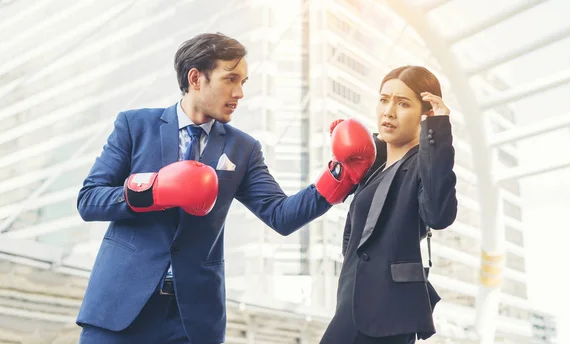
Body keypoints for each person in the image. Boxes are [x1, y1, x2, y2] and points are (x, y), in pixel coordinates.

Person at [76, 32, 377, 344]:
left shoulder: (243, 149)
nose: (239, 93)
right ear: (196, 78)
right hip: (120, 309)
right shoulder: (135, 126)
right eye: (230, 79)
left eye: (243, 82)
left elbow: (281, 215)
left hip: (191, 322)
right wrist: (153, 190)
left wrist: (339, 176)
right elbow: (89, 199)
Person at [320, 65, 458, 344]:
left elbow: (439, 215)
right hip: (352, 306)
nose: (389, 111)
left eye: (403, 103)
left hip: (386, 314)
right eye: (384, 99)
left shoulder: (424, 163)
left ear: (426, 113)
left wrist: (438, 132)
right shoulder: (373, 166)